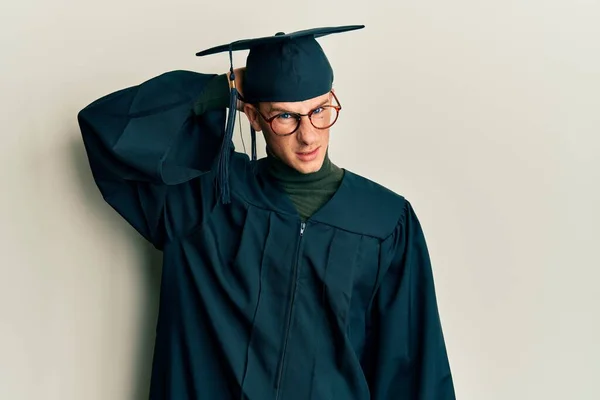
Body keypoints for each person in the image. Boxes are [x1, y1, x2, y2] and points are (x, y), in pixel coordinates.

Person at [77, 25, 455, 400]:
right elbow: (106, 129)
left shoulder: (385, 221)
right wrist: (220, 88)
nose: (308, 135)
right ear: (254, 118)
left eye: (319, 110)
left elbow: (415, 370)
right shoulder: (203, 199)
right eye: (285, 117)